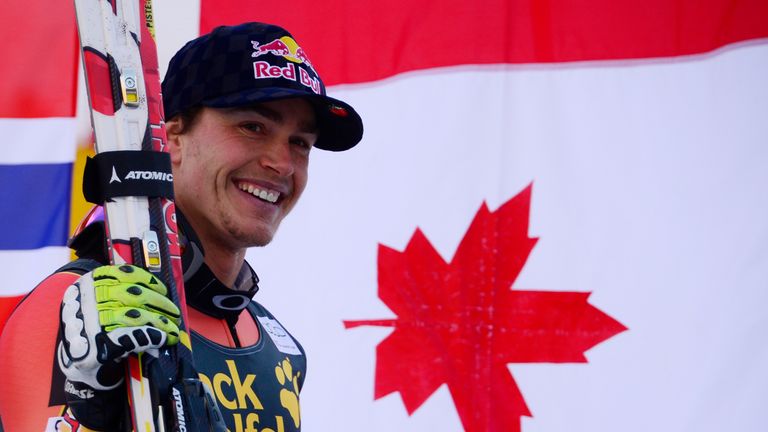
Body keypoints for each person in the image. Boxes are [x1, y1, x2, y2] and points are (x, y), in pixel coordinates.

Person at [0, 22, 363, 432]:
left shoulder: (281, 347)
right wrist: (89, 417)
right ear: (171, 137)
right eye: (253, 127)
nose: (281, 163)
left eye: (300, 143)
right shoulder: (81, 310)